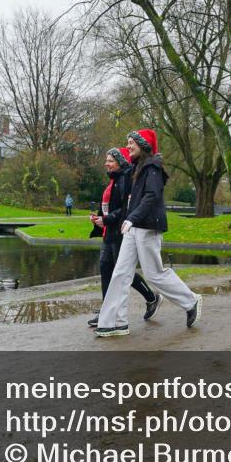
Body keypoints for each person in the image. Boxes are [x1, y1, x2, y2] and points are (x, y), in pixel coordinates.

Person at [95, 129, 202, 337]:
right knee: (120, 272)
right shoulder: (138, 168)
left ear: (143, 145)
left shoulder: (153, 167)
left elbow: (152, 196)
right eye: (127, 142)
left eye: (131, 142)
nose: (127, 146)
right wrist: (125, 220)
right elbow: (133, 201)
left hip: (148, 228)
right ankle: (115, 321)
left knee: (154, 275)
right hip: (134, 229)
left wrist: (131, 218)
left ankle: (191, 301)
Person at [87, 147, 159, 328]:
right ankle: (106, 311)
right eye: (107, 160)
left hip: (120, 232)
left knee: (123, 272)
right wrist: (98, 218)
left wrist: (107, 219)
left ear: (120, 161)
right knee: (106, 270)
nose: (106, 163)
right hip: (108, 233)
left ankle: (152, 298)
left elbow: (125, 209)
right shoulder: (114, 179)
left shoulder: (126, 178)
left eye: (110, 160)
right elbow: (109, 206)